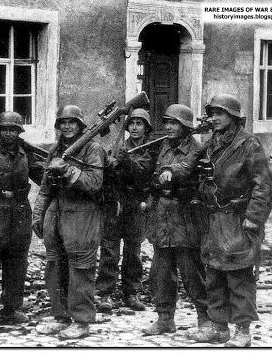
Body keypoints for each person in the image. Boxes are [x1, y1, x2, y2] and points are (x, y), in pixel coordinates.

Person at [186, 94, 272, 347]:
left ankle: (243, 331)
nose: (214, 118)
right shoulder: (211, 143)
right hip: (213, 218)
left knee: (239, 277)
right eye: (212, 113)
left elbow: (263, 185)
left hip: (237, 219)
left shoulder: (249, 144)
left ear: (234, 117)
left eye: (220, 113)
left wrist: (254, 218)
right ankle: (218, 326)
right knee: (214, 274)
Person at [32, 105, 104, 339]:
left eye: (72, 122)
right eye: (63, 122)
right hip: (58, 210)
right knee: (55, 266)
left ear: (81, 125)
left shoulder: (92, 149)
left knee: (81, 267)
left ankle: (81, 321)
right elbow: (44, 187)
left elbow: (94, 183)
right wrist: (39, 213)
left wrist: (68, 171)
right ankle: (60, 316)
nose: (67, 126)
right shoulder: (56, 148)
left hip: (83, 211)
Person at [141, 104, 209, 336]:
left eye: (174, 123)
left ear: (186, 127)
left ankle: (205, 319)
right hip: (162, 219)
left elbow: (187, 167)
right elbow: (153, 174)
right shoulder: (163, 147)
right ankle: (165, 318)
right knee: (160, 273)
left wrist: (170, 170)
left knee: (192, 273)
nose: (168, 127)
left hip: (185, 219)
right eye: (167, 122)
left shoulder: (198, 148)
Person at [0, 111, 45, 325]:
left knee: (17, 261)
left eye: (13, 130)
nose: (8, 134)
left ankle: (12, 307)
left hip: (20, 212)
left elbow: (43, 178)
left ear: (19, 132)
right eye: (4, 129)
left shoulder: (27, 156)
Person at [96, 108, 156, 312]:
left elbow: (144, 174)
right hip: (118, 203)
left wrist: (126, 161)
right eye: (132, 123)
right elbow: (109, 176)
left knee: (134, 252)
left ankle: (132, 292)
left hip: (136, 204)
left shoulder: (151, 150)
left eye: (140, 124)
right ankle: (105, 293)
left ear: (146, 128)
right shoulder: (120, 147)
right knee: (110, 250)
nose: (135, 128)